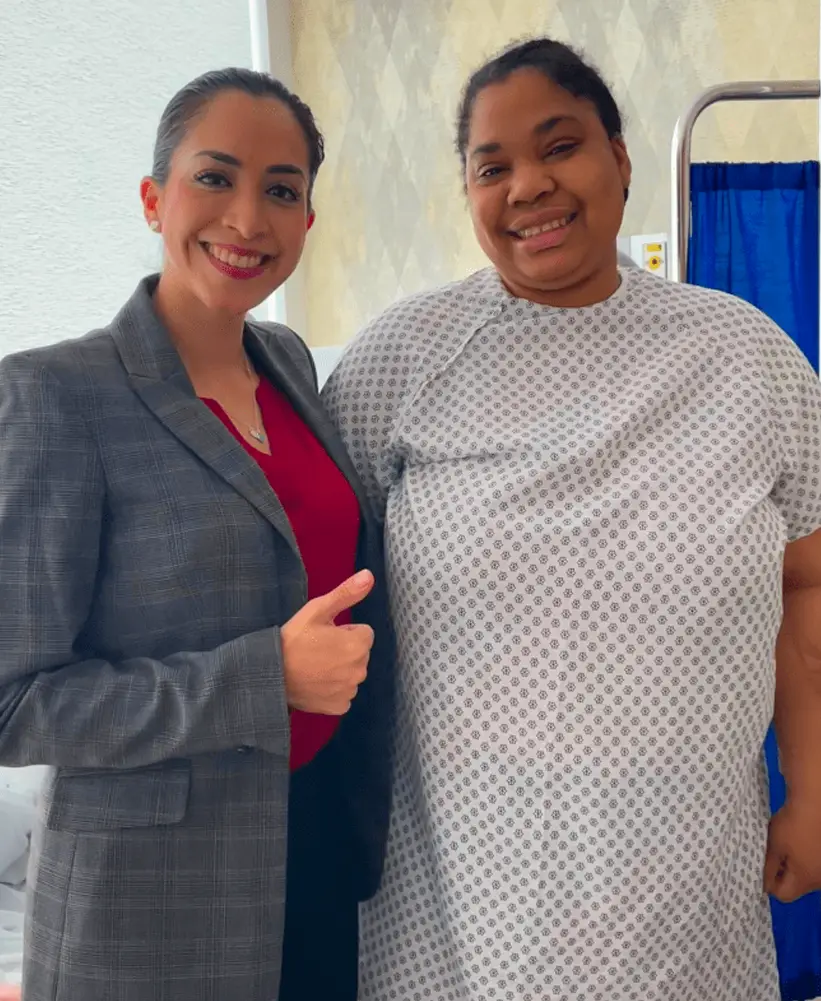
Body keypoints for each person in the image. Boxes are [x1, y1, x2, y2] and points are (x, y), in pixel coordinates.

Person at [322, 37, 821, 1001]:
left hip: (689, 877)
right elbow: (313, 567)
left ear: (621, 159)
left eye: (560, 146)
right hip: (460, 887)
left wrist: (810, 786)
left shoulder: (748, 358)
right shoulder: (401, 360)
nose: (528, 187)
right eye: (491, 166)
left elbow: (805, 590)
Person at [0, 68, 393, 1001]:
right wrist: (265, 678)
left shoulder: (291, 365)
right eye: (215, 178)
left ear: (307, 219)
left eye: (282, 190)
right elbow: (12, 703)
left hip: (319, 855)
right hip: (151, 911)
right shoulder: (56, 395)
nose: (248, 219)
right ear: (153, 198)